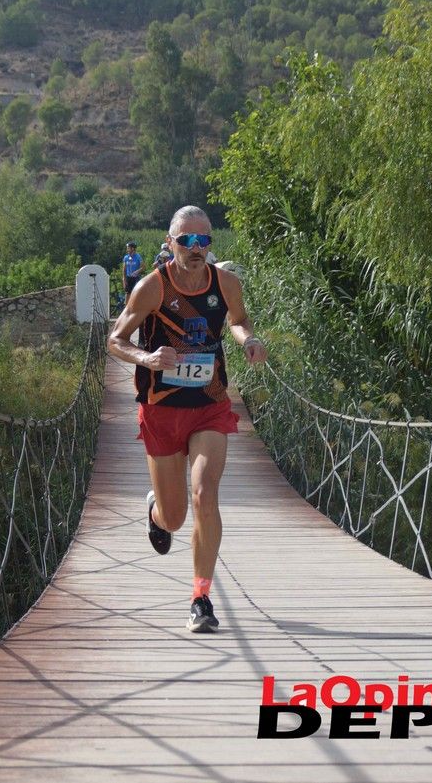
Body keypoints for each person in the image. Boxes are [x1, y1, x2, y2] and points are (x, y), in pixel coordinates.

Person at [107, 205, 268, 633]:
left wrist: (248, 339)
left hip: (210, 405)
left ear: (210, 243)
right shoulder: (151, 288)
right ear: (170, 242)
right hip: (161, 409)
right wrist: (148, 357)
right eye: (186, 240)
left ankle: (200, 598)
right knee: (175, 517)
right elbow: (115, 340)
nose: (196, 248)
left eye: (203, 240)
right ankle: (156, 512)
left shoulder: (226, 283)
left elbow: (238, 320)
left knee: (204, 495)